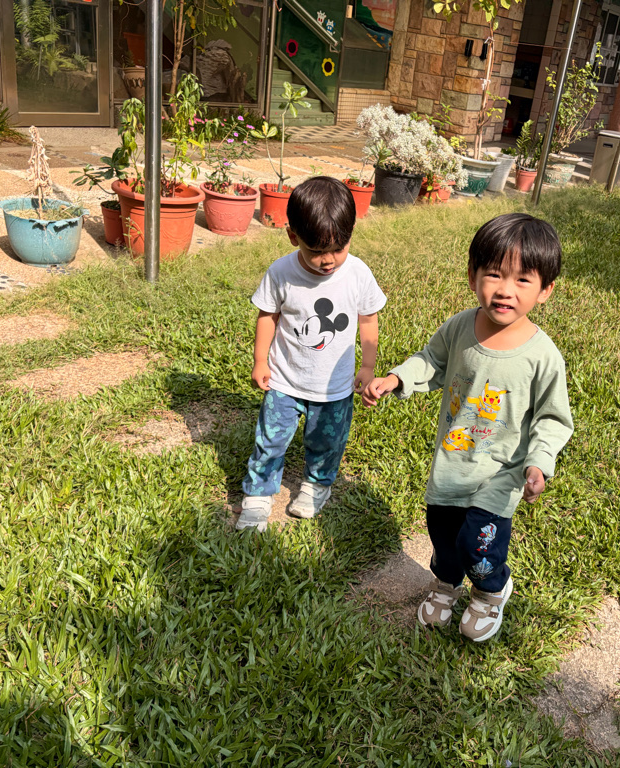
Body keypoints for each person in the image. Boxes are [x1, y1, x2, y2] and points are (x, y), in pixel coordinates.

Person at [362, 213, 574, 642]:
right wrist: (398, 378)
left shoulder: (543, 356)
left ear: (545, 290)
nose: (505, 290)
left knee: (479, 543)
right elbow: (432, 360)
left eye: (523, 280)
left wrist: (539, 463)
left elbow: (552, 418)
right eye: (494, 274)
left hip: (501, 472)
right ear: (472, 275)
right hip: (452, 462)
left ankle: (491, 591)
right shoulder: (461, 326)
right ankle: (446, 584)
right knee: (443, 536)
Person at [236, 176, 387, 532]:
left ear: (350, 234)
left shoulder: (357, 274)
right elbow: (268, 316)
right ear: (293, 237)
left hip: (334, 387)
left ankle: (317, 484)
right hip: (284, 380)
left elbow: (368, 319)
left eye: (339, 248)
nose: (328, 261)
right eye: (317, 251)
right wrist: (260, 360)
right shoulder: (281, 272)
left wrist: (368, 365)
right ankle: (258, 492)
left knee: (327, 441)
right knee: (270, 440)